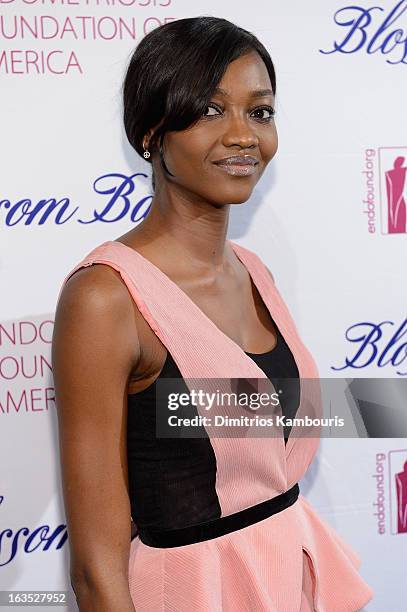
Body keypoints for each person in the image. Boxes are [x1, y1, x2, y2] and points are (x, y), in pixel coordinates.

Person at [52, 16, 374, 612]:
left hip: (290, 583)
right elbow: (97, 572)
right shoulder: (106, 299)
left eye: (260, 112)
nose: (243, 135)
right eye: (208, 110)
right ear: (152, 131)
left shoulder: (256, 272)